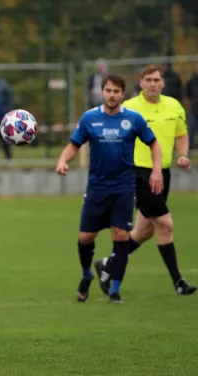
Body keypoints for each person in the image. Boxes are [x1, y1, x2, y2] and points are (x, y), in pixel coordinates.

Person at [56, 74, 163, 304]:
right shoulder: (89, 119)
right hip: (97, 188)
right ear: (102, 93)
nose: (112, 95)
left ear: (122, 94)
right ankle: (86, 274)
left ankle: (115, 290)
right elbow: (74, 145)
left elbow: (154, 144)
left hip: (124, 187)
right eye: (108, 91)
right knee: (85, 237)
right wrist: (63, 160)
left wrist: (156, 170)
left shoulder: (134, 119)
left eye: (116, 91)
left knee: (121, 235)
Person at [94, 65, 196, 296]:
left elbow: (182, 134)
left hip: (163, 174)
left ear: (162, 83)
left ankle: (108, 265)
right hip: (136, 174)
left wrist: (182, 154)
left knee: (144, 231)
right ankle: (178, 281)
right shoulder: (128, 108)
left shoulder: (174, 106)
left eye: (156, 80)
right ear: (140, 83)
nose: (152, 83)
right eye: (148, 79)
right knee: (166, 224)